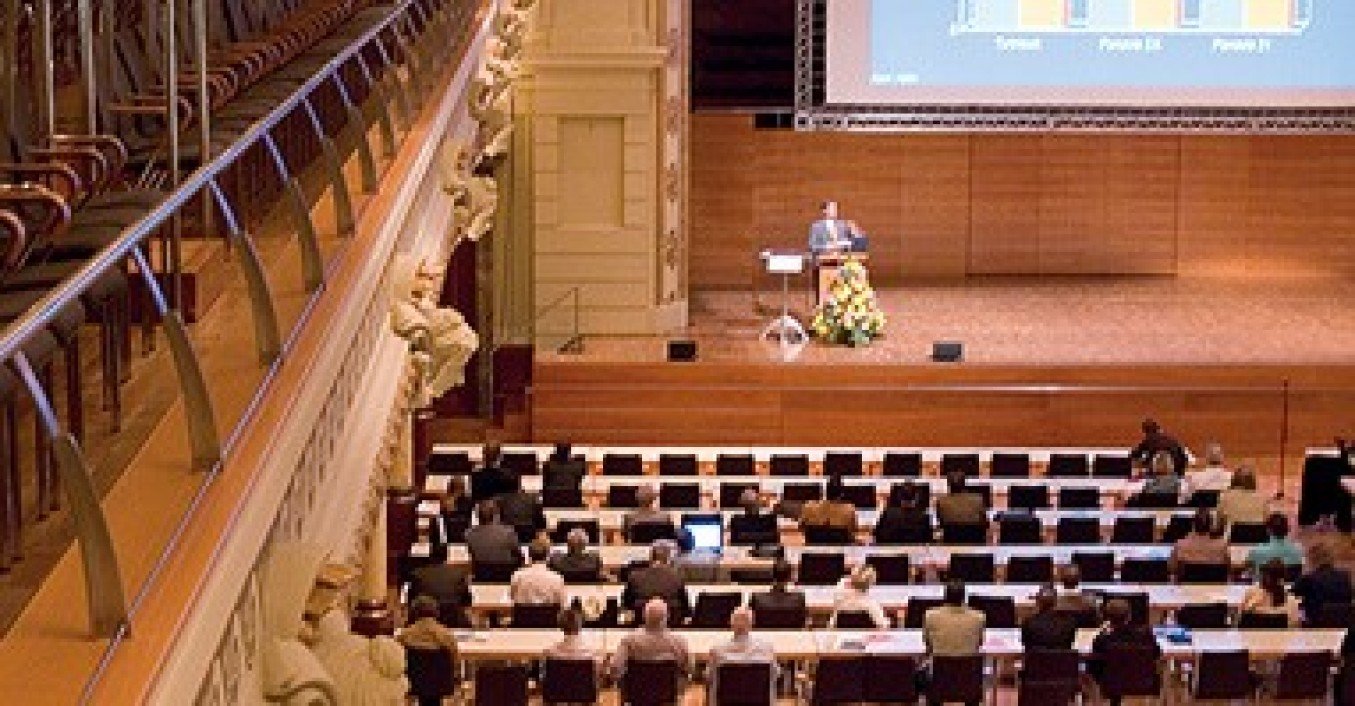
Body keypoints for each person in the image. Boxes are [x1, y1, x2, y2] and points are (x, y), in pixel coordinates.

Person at [1088, 599, 1161, 704]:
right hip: (1145, 683)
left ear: (1107, 618)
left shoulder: (1102, 640)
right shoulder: (1146, 636)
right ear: (1129, 616)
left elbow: (1094, 666)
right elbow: (1156, 654)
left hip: (1110, 684)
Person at [610, 598, 692, 685]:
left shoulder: (629, 641)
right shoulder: (680, 642)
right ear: (667, 616)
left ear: (644, 616)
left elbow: (615, 668)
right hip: (668, 695)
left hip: (634, 696)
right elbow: (690, 669)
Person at [396, 595, 459, 706]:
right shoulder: (446, 634)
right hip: (441, 683)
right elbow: (455, 658)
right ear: (435, 612)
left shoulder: (404, 635)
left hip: (414, 682)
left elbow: (398, 660)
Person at [708, 607, 778, 703]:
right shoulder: (766, 650)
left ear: (731, 624)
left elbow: (710, 677)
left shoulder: (717, 651)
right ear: (752, 624)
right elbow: (775, 675)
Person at [621, 541, 690, 619]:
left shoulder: (635, 577)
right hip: (671, 626)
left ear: (651, 558)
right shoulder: (677, 578)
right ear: (668, 559)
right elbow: (686, 610)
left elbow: (625, 606)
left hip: (640, 625)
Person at [408, 545, 472, 627]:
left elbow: (411, 599)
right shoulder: (458, 573)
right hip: (453, 618)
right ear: (446, 558)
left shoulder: (417, 573)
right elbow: (466, 600)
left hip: (425, 618)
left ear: (430, 556)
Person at [1291, 542, 1353, 622]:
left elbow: (1292, 594)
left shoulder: (1308, 579)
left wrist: (1306, 571)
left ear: (1312, 560)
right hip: (1343, 625)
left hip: (1315, 625)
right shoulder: (1345, 576)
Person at [922, 580, 986, 657]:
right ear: (963, 598)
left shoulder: (930, 616)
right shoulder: (979, 617)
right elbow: (979, 643)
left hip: (940, 667)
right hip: (969, 667)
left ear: (945, 596)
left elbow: (927, 644)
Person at [544, 607, 604, 680]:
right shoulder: (592, 654)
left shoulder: (550, 653)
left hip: (557, 690)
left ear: (561, 627)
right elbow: (598, 676)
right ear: (580, 625)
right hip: (584, 690)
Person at [1240, 559, 1302, 626]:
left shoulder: (1251, 594)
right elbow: (1295, 627)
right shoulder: (1291, 601)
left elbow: (1241, 621)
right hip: (1281, 636)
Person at [464, 499, 524, 568]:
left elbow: (472, 559)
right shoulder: (508, 532)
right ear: (496, 515)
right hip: (506, 575)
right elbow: (519, 555)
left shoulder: (469, 535)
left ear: (477, 516)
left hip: (481, 575)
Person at [510, 537, 567, 607]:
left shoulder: (517, 576)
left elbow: (512, 598)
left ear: (529, 556)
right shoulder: (557, 579)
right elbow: (562, 603)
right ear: (547, 557)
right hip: (549, 617)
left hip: (524, 617)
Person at [1021, 585, 1077, 651]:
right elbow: (1070, 643)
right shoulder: (1069, 623)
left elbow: (1026, 646)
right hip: (1061, 660)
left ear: (1038, 602)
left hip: (1037, 660)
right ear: (1055, 602)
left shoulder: (1028, 623)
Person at [750, 560, 807, 625]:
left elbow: (751, 622)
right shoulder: (799, 599)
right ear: (790, 578)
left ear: (772, 574)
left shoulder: (757, 598)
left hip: (764, 635)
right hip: (791, 635)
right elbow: (803, 623)